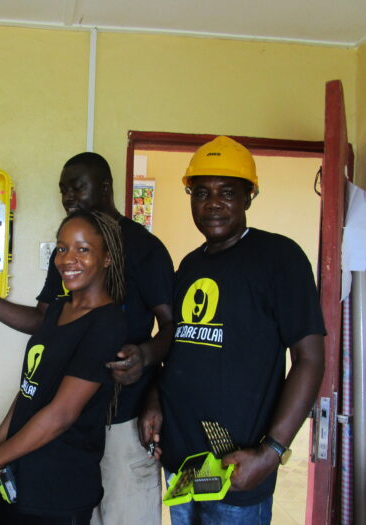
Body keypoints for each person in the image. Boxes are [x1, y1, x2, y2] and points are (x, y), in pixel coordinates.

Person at [0, 152, 174, 524]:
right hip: (53, 438)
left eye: (77, 187)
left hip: (121, 417)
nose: (68, 196)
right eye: (63, 190)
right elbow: (41, 322)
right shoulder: (66, 283)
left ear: (105, 187)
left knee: (121, 514)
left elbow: (171, 328)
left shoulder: (144, 251)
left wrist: (147, 364)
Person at [139, 136, 326, 524]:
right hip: (182, 463)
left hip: (237, 469)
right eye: (201, 192)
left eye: (227, 192)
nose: (213, 203)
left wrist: (272, 451)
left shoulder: (280, 259)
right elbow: (179, 349)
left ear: (248, 197)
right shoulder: (190, 265)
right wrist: (154, 398)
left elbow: (310, 360)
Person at [0, 210, 127, 524]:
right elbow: (29, 392)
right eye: (62, 248)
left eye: (83, 249)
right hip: (19, 475)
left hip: (58, 489)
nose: (68, 258)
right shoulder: (57, 310)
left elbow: (62, 414)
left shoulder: (108, 324)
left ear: (107, 258)